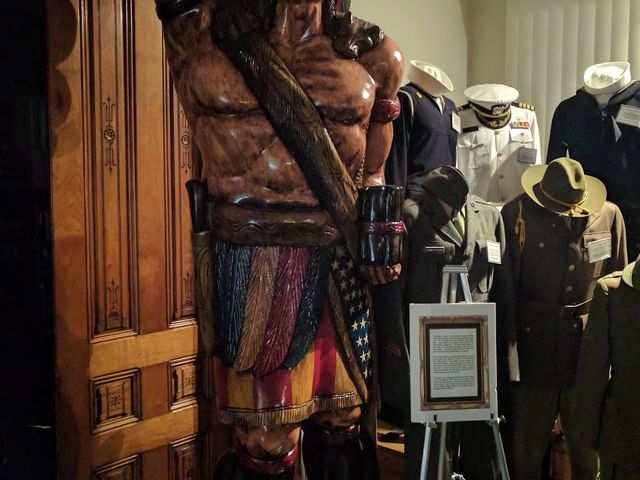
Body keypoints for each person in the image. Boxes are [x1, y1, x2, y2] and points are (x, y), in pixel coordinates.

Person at [154, 1, 404, 479]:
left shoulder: (376, 57)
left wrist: (381, 234)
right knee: (266, 438)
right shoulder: (198, 32)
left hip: (337, 258)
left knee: (342, 421)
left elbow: (374, 172)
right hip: (252, 263)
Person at [375, 165, 508, 479]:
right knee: (430, 452)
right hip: (430, 358)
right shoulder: (410, 218)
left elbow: (502, 291)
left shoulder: (489, 216)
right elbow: (393, 299)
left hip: (476, 357)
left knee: (479, 446)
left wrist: (503, 357)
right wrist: (402, 362)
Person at [499, 157, 627, 480]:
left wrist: (616, 357)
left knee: (587, 453)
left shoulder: (609, 216)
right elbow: (506, 293)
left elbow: (619, 292)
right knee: (526, 453)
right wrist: (509, 358)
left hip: (588, 353)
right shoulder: (517, 215)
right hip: (534, 348)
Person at [547, 61, 640, 259]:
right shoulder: (568, 110)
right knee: (588, 269)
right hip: (585, 210)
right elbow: (555, 162)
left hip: (635, 213)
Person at [574, 255, 640, 480]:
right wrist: (591, 437)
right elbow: (593, 372)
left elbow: (593, 374)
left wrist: (590, 438)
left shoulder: (613, 291)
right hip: (625, 438)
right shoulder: (612, 291)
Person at [457, 84, 542, 207]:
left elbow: (535, 161)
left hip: (518, 203)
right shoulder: (461, 118)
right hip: (478, 204)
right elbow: (455, 163)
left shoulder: (526, 116)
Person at [385, 61, 458, 199]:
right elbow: (397, 154)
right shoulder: (406, 97)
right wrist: (396, 199)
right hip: (415, 195)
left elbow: (452, 152)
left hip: (444, 195)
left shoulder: (450, 106)